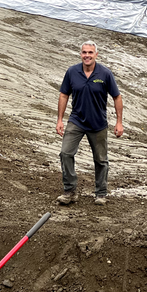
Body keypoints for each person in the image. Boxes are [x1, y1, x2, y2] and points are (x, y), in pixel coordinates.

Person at [55, 41, 123, 206]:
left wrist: (119, 122)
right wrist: (59, 119)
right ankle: (70, 191)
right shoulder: (72, 72)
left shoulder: (105, 74)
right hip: (76, 120)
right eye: (84, 52)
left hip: (98, 123)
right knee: (65, 153)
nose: (87, 55)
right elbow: (64, 95)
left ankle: (100, 193)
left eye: (90, 53)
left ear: (96, 55)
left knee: (100, 160)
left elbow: (117, 97)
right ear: (80, 54)